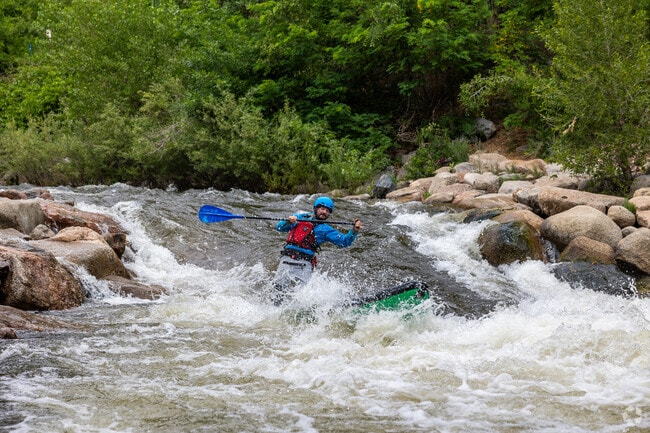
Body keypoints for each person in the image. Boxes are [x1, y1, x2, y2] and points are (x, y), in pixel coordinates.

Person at [271, 196, 363, 304]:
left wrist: (354, 231)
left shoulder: (326, 230)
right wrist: (289, 222)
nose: (324, 212)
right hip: (286, 260)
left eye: (327, 210)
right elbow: (279, 227)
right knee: (277, 292)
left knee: (303, 296)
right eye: (322, 208)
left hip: (304, 264)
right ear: (315, 208)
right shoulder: (299, 218)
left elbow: (344, 242)